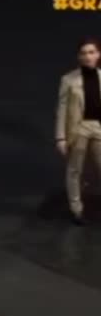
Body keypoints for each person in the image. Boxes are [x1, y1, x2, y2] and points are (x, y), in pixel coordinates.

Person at [55, 38, 101, 225]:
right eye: (84, 53)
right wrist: (60, 137)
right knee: (75, 169)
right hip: (78, 128)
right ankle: (76, 209)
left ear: (98, 55)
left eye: (91, 52)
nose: (88, 56)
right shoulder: (69, 80)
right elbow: (62, 109)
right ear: (79, 56)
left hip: (98, 126)